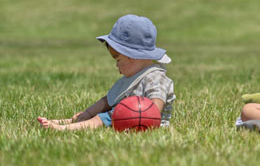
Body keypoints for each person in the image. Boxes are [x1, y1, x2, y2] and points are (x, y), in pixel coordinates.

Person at [38, 14, 175, 130]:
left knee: (99, 119)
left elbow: (154, 110)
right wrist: (88, 112)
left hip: (140, 122)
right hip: (123, 116)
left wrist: (138, 122)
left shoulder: (155, 77)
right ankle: (71, 121)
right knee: (98, 116)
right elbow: (108, 100)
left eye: (117, 59)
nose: (116, 65)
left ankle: (64, 129)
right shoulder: (132, 76)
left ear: (132, 55)